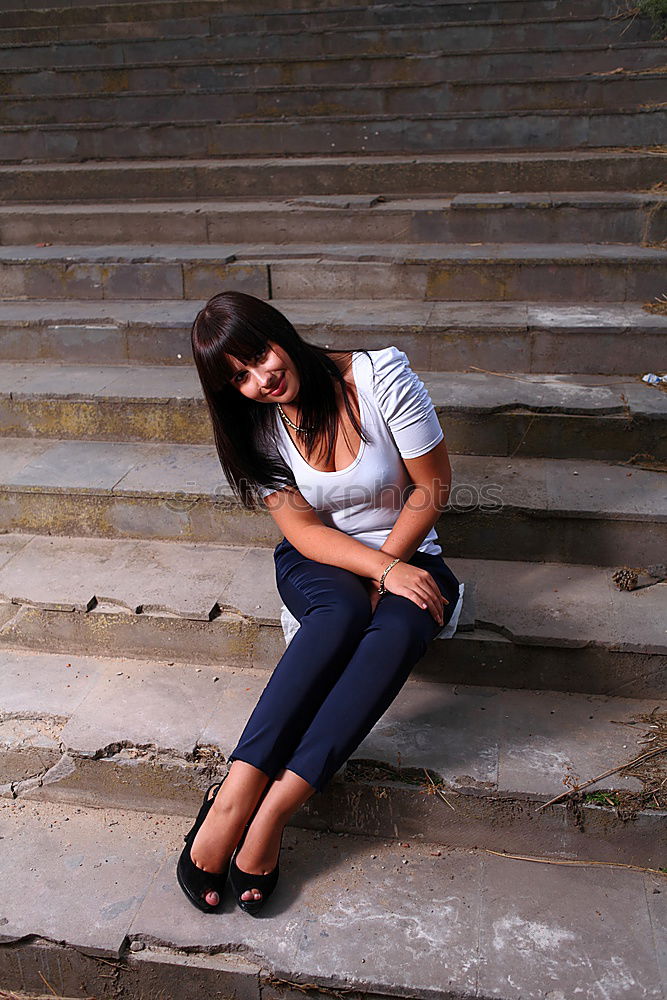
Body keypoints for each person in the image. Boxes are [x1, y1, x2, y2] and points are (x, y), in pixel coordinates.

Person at [177, 290, 461, 916]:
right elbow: (304, 533)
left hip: (408, 546)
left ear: (280, 331)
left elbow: (433, 486)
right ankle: (233, 796)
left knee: (400, 629)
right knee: (340, 616)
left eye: (260, 356)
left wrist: (392, 568)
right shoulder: (257, 423)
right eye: (241, 378)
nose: (262, 379)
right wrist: (375, 571)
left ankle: (274, 810)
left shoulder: (381, 377)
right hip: (318, 560)